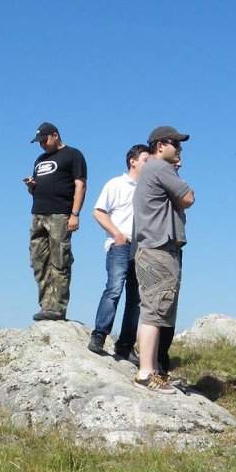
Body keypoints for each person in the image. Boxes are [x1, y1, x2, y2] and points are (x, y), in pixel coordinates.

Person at [132, 126, 194, 394]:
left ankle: (153, 370)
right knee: (154, 312)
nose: (180, 149)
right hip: (159, 249)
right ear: (160, 145)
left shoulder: (152, 169)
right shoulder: (160, 167)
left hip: (153, 248)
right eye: (175, 144)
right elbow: (188, 198)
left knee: (158, 311)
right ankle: (146, 373)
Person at [88, 144, 150, 357]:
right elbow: (98, 211)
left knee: (136, 298)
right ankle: (99, 335)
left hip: (142, 249)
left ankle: (125, 346)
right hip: (121, 245)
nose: (149, 164)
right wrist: (117, 235)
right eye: (146, 160)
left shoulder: (149, 188)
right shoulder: (116, 184)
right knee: (115, 288)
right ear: (133, 161)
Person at [23, 122, 87, 321]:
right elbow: (35, 190)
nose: (42, 145)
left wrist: (75, 213)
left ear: (55, 135)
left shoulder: (73, 154)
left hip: (60, 215)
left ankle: (57, 308)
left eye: (44, 140)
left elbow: (80, 185)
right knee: (39, 261)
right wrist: (31, 186)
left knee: (60, 260)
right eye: (39, 142)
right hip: (38, 214)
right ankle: (45, 306)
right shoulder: (40, 160)